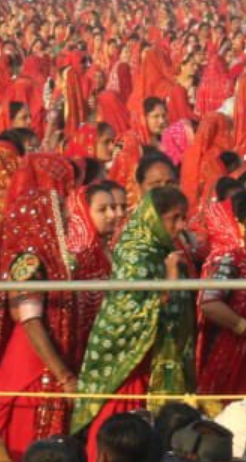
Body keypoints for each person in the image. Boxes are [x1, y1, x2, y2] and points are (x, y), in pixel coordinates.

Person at [70, 186, 195, 456]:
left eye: (184, 217)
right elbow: (130, 311)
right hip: (127, 365)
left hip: (154, 363)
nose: (181, 225)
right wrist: (171, 278)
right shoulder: (134, 252)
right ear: (153, 217)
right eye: (175, 217)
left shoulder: (165, 250)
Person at [0, 169, 86, 459]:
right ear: (41, 218)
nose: (66, 219)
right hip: (30, 360)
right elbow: (30, 322)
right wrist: (64, 376)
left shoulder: (49, 258)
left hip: (41, 357)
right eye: (60, 212)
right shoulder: (28, 262)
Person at [196, 189, 246, 400]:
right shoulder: (228, 257)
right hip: (228, 354)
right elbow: (209, 302)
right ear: (240, 225)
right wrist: (245, 328)